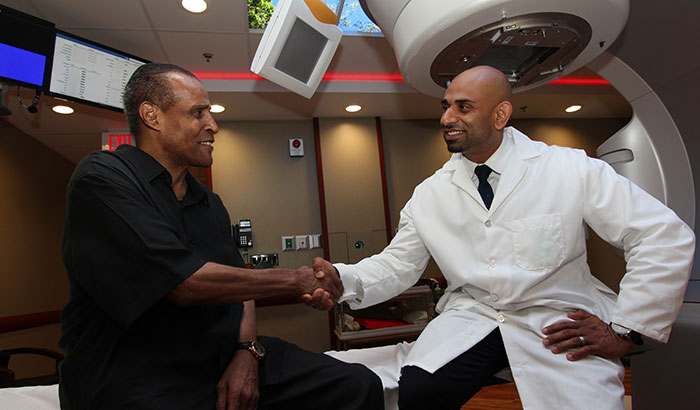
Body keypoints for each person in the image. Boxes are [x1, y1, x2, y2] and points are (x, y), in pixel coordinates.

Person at [311, 65, 695, 409]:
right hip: (473, 315)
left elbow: (662, 235)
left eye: (463, 107)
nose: (447, 117)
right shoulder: (430, 194)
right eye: (445, 106)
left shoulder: (570, 168)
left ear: (500, 115)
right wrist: (343, 279)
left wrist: (626, 331)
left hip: (558, 318)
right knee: (419, 394)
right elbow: (398, 265)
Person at [58, 63, 383, 410]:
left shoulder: (208, 201)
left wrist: (246, 352)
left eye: (209, 113)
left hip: (218, 356)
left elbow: (241, 290)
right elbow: (185, 283)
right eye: (198, 113)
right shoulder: (103, 179)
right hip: (135, 372)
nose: (213, 125)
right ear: (151, 116)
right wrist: (295, 279)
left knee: (357, 386)